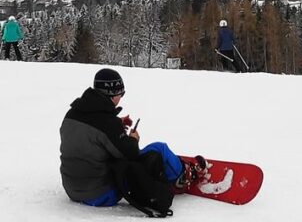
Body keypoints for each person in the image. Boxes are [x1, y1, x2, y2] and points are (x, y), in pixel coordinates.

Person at [60, 68, 202, 217]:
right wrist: (133, 138)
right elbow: (130, 153)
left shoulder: (72, 114)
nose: (121, 97)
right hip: (101, 194)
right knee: (159, 148)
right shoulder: (107, 123)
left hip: (72, 190)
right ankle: (183, 176)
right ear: (112, 93)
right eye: (121, 94)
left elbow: (91, 135)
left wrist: (117, 126)